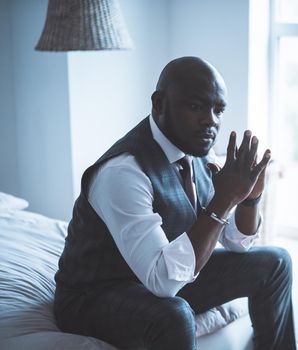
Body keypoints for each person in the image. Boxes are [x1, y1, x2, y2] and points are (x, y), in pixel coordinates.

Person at [54, 56, 296, 350]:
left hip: (162, 271)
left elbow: (237, 243)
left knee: (276, 262)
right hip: (96, 295)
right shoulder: (122, 172)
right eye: (196, 107)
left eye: (218, 110)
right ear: (159, 103)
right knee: (174, 316)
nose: (211, 121)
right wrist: (224, 199)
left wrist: (250, 199)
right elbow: (162, 283)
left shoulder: (199, 151)